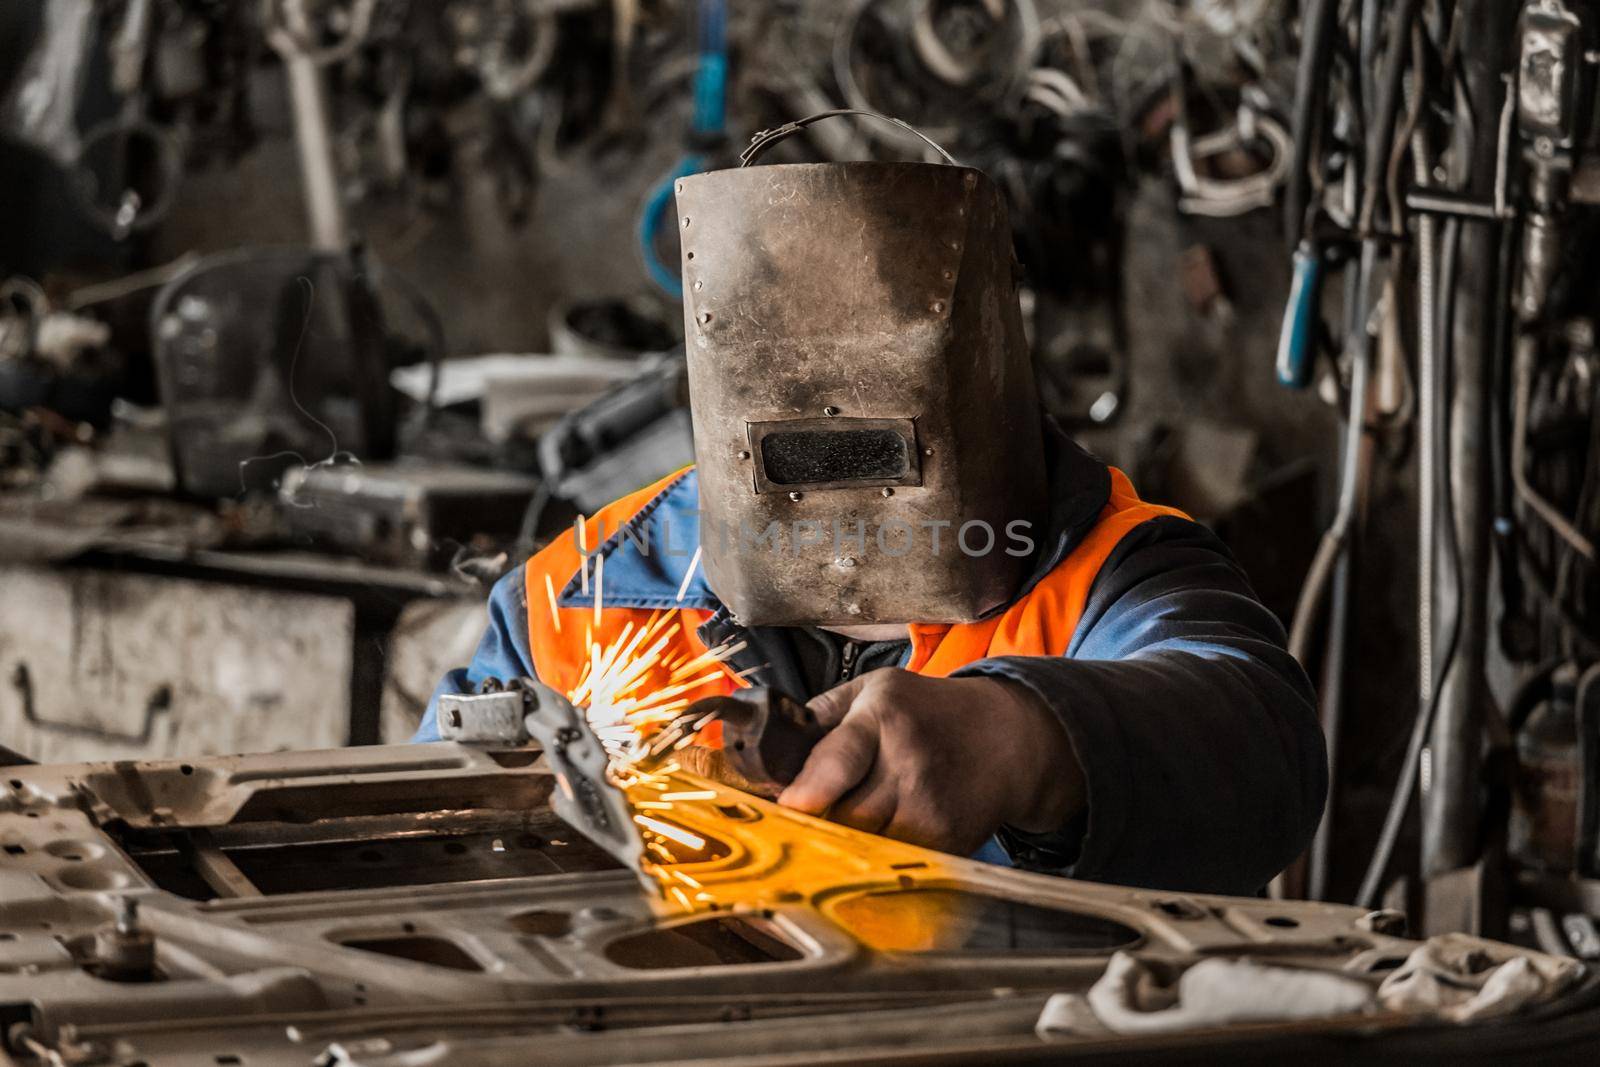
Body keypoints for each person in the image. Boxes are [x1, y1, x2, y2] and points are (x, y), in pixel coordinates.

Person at [416, 136, 1326, 897]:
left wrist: (1022, 738)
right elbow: (430, 848)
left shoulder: (1114, 576)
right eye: (801, 454)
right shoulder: (581, 595)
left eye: (879, 451)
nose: (844, 513)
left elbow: (1268, 753)